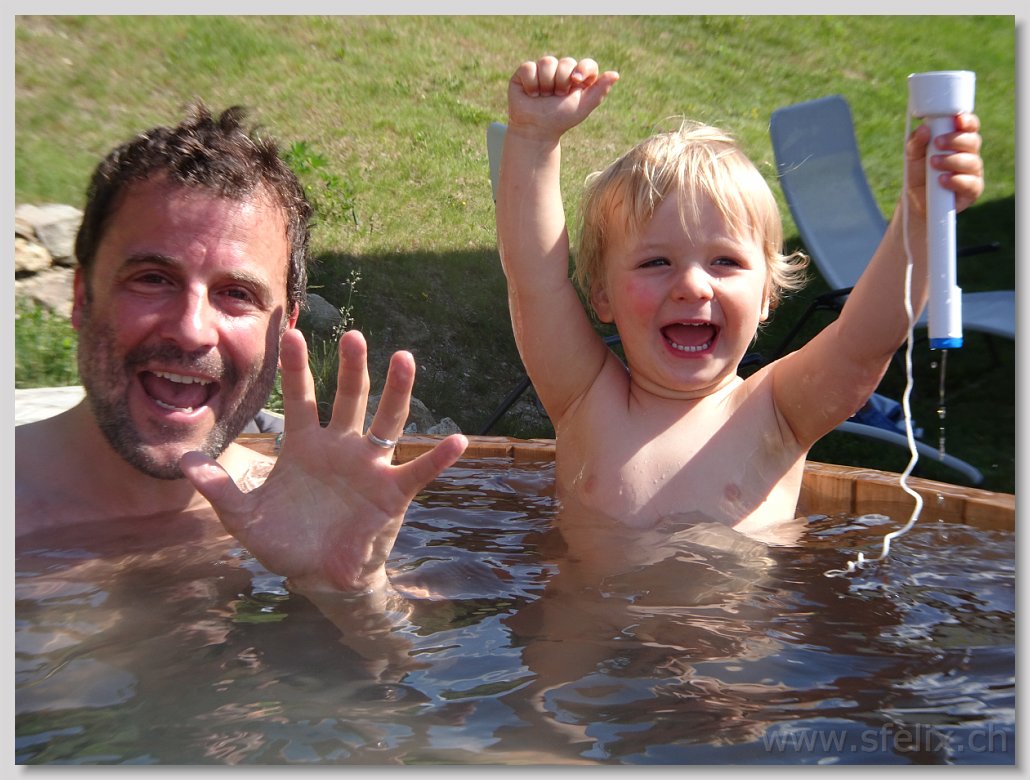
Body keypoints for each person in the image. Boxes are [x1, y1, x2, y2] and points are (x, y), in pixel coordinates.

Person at [496, 56, 984, 544]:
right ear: (602, 294)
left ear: (767, 294)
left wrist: (919, 214)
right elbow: (534, 280)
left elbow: (865, 343)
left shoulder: (777, 413)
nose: (693, 286)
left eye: (724, 262)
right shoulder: (585, 397)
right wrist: (533, 139)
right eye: (656, 262)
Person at [15, 102, 468, 607]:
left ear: (285, 329)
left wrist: (353, 592)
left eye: (237, 294)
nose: (191, 331)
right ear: (82, 297)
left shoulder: (317, 508)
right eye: (152, 279)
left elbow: (410, 654)